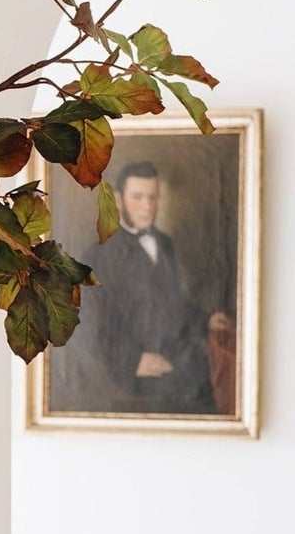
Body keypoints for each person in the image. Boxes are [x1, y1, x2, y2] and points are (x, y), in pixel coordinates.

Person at [88, 158, 228, 413]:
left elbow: (176, 302)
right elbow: (91, 326)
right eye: (138, 197)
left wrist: (205, 319)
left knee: (223, 376)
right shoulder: (99, 256)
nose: (147, 207)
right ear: (118, 200)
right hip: (136, 368)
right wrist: (133, 361)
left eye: (153, 197)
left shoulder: (164, 243)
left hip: (178, 355)